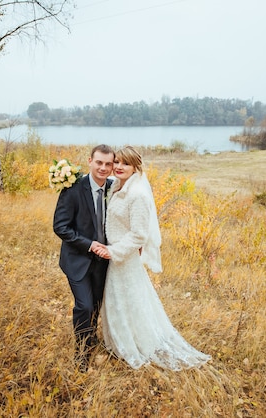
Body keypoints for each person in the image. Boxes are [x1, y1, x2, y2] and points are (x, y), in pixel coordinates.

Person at [94, 146, 211, 371]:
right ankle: (121, 340)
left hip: (123, 258)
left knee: (129, 301)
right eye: (116, 162)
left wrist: (113, 251)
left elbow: (139, 234)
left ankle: (136, 343)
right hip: (117, 257)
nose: (118, 166)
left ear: (136, 167)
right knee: (120, 301)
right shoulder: (118, 186)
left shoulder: (137, 194)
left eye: (125, 164)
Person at [53, 144, 115, 372]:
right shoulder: (73, 189)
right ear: (90, 161)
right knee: (85, 305)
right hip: (78, 259)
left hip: (104, 261)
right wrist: (89, 245)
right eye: (99, 162)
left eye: (108, 164)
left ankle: (90, 337)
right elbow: (60, 226)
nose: (103, 167)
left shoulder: (113, 188)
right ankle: (81, 352)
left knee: (97, 304)